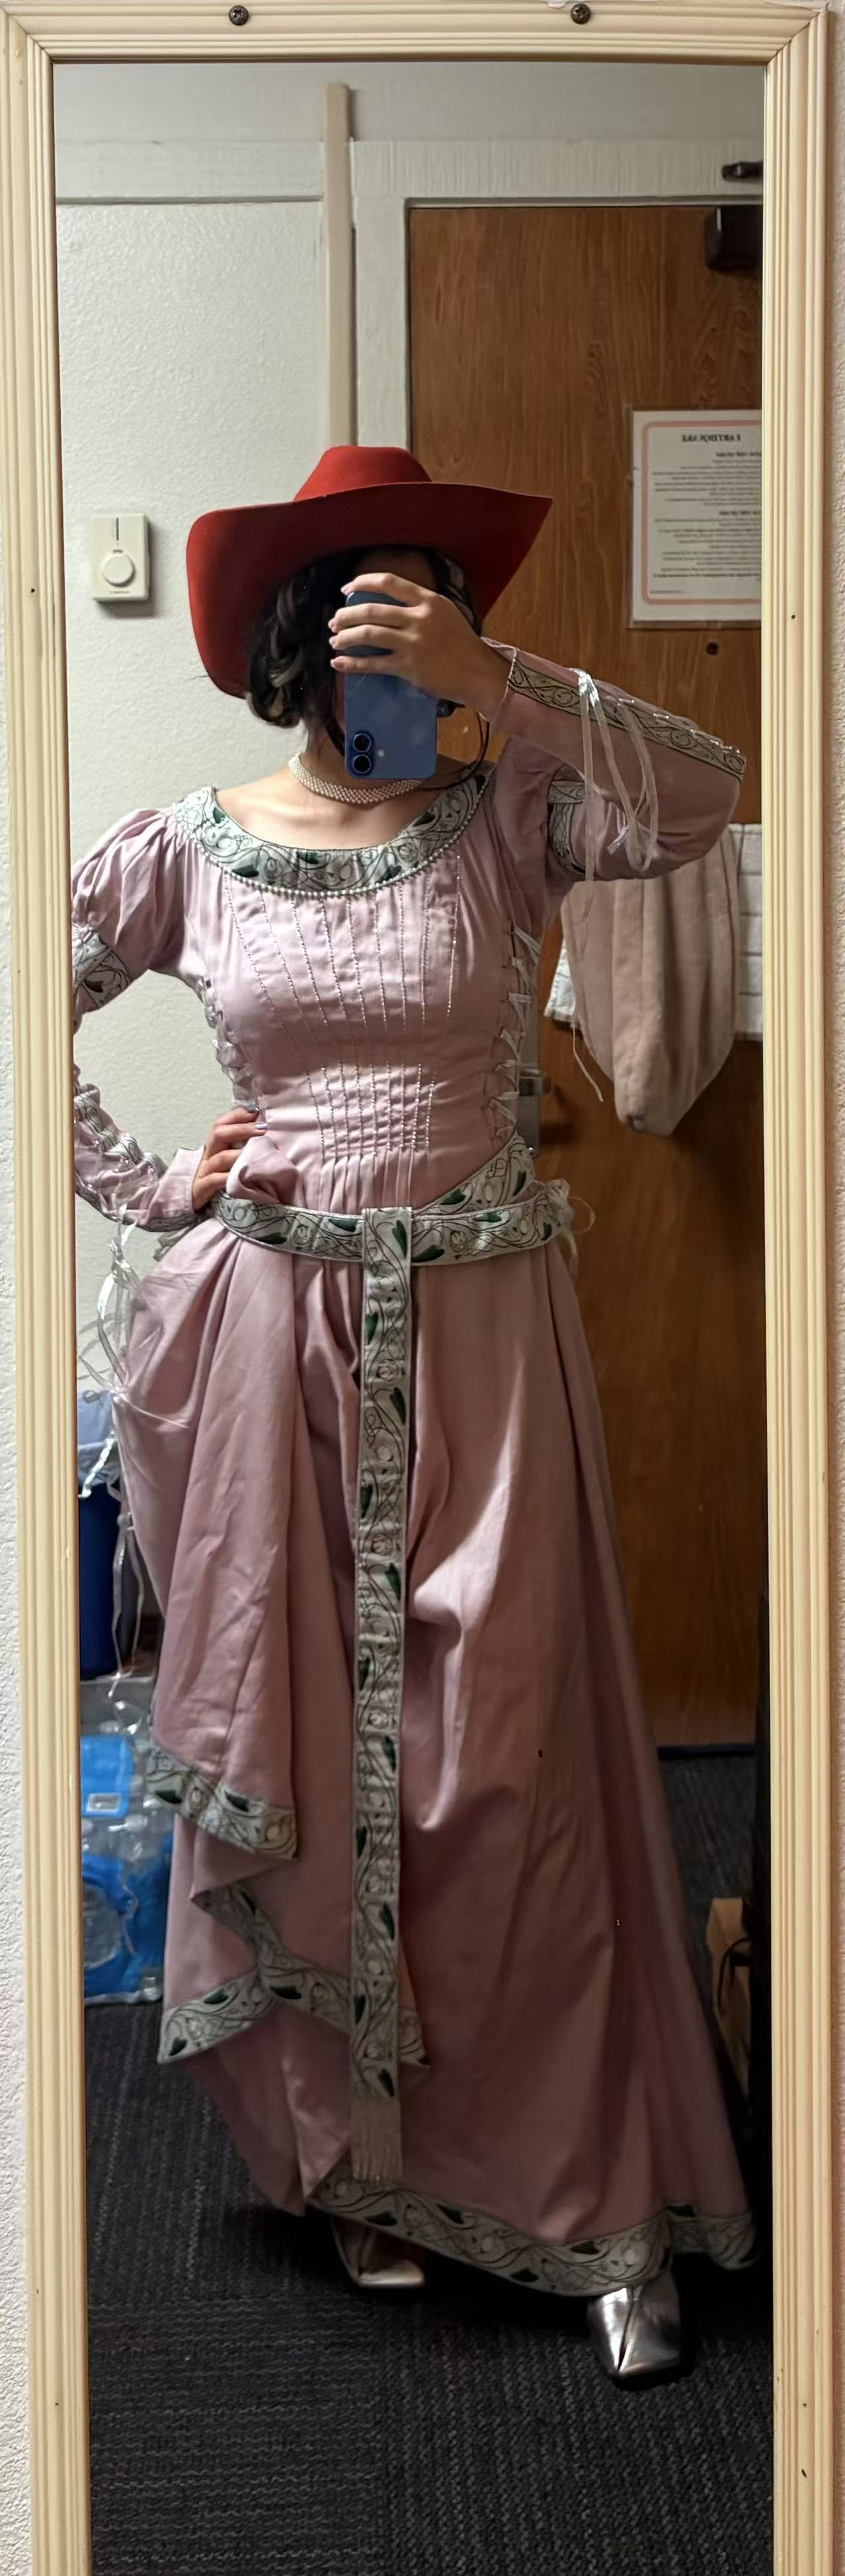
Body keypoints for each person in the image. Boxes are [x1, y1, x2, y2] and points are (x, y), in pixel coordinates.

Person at [72, 444, 756, 2381]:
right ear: (295, 646)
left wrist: (504, 684)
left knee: (511, 1768)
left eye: (428, 622)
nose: (397, 670)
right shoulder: (190, 848)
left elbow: (709, 800)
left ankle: (594, 2189)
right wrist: (147, 1183)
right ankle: (363, 2160)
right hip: (274, 1352)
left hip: (486, 1349)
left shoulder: (514, 804)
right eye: (371, 628)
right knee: (320, 1757)